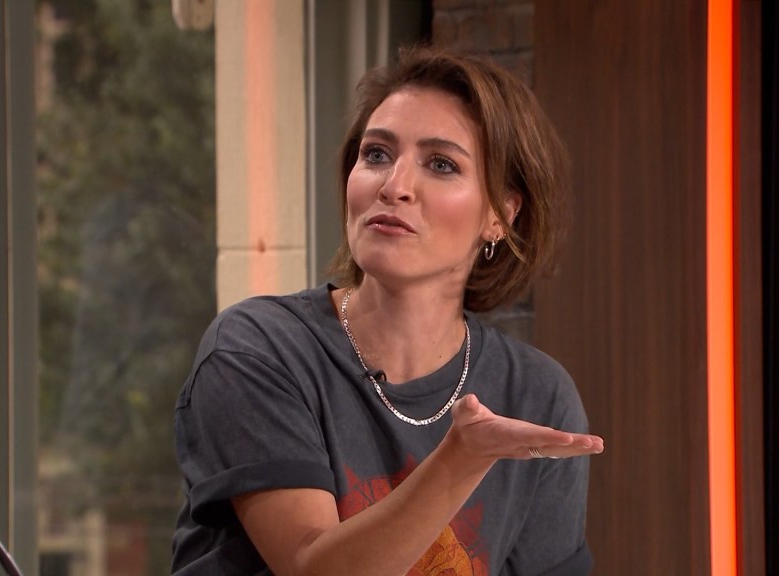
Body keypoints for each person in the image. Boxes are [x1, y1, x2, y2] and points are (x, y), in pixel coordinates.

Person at [172, 45, 605, 576]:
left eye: (441, 164)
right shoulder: (257, 348)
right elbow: (312, 568)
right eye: (377, 155)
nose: (394, 186)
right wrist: (462, 460)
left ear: (500, 215)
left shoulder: (537, 395)